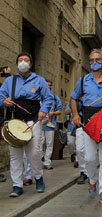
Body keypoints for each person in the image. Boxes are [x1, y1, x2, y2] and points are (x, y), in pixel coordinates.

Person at [70, 49, 102, 204]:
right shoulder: (82, 81)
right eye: (92, 60)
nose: (94, 62)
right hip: (89, 121)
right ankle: (92, 180)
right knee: (89, 158)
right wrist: (75, 115)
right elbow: (73, 99)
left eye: (98, 60)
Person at [0, 52, 52, 197]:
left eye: (26, 60)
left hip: (33, 120)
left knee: (34, 152)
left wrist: (43, 110)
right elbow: (0, 96)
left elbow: (48, 98)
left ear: (31, 63)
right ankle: (17, 185)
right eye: (20, 60)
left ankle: (38, 177)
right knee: (15, 154)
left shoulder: (39, 80)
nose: (23, 62)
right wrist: (4, 102)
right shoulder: (10, 81)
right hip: (14, 120)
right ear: (17, 63)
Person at [40, 80, 62, 170]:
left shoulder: (55, 98)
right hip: (39, 124)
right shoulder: (38, 97)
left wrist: (52, 114)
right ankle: (40, 160)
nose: (48, 87)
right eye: (47, 85)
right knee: (39, 143)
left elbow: (59, 111)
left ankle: (47, 162)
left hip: (50, 125)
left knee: (49, 144)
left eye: (50, 86)